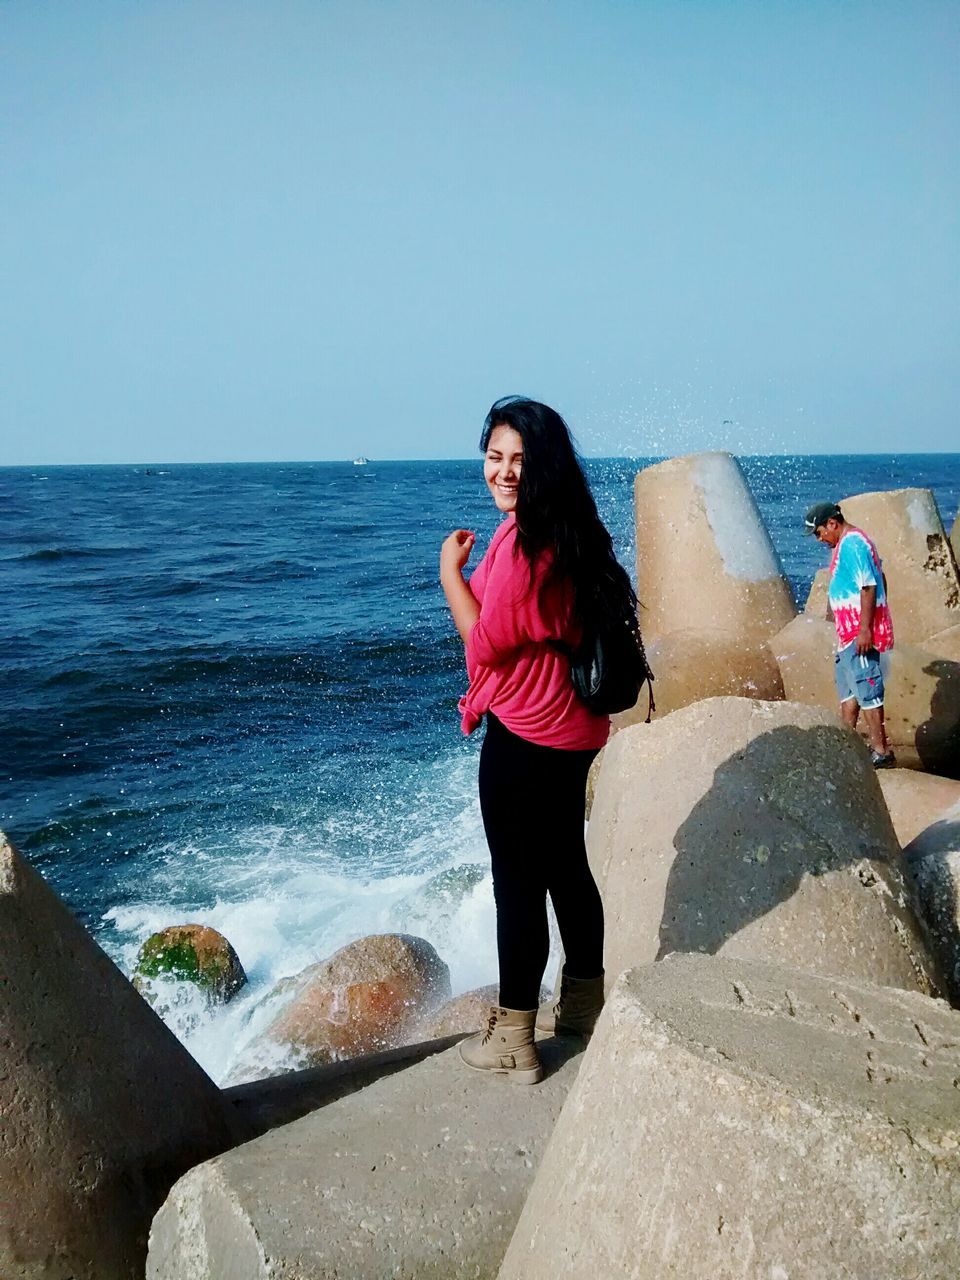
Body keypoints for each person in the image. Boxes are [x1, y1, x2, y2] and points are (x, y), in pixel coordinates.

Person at [440, 397, 634, 1085]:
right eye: (495, 457)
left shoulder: (525, 548)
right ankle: (583, 1007)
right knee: (566, 870)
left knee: (517, 884)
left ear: (544, 463)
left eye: (519, 459)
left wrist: (449, 577)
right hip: (577, 729)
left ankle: (516, 1036)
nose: (504, 471)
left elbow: (483, 646)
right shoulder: (574, 530)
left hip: (527, 735)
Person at [804, 501, 896, 768]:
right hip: (847, 635)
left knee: (868, 690)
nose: (819, 539)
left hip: (859, 633)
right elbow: (879, 575)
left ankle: (881, 751)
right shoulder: (841, 545)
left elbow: (869, 585)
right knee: (848, 692)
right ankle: (845, 745)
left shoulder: (854, 543)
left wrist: (866, 629)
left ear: (832, 523)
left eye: (820, 532)